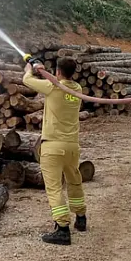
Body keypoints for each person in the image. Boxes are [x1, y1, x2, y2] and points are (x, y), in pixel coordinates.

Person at [23, 57, 87, 246]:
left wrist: (30, 69)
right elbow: (58, 81)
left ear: (58, 71)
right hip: (72, 146)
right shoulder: (77, 90)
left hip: (52, 146)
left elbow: (26, 81)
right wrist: (44, 71)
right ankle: (81, 217)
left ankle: (62, 229)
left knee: (54, 187)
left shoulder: (52, 87)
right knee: (74, 181)